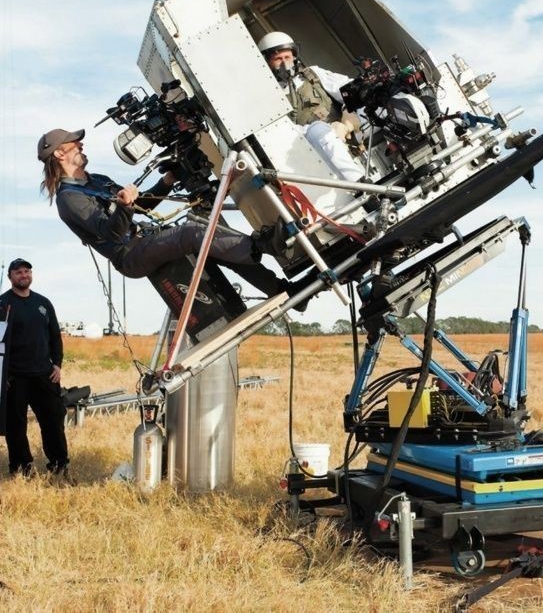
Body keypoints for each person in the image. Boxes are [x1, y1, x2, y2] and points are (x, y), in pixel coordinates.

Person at [37, 128, 294, 298]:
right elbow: (111, 233)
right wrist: (125, 206)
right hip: (129, 255)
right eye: (74, 143)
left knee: (211, 245)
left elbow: (140, 205)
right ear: (59, 153)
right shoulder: (69, 199)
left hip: (143, 241)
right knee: (193, 233)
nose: (80, 144)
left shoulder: (98, 180)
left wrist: (168, 181)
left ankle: (280, 290)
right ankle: (262, 246)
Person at [257, 31, 365, 182]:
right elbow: (286, 133)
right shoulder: (270, 97)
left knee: (373, 100)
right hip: (314, 147)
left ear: (294, 56)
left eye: (287, 57)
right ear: (267, 62)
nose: (284, 63)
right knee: (319, 130)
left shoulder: (313, 74)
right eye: (278, 59)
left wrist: (346, 116)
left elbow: (348, 88)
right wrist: (329, 130)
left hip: (349, 131)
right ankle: (360, 183)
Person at [0, 258, 69, 477]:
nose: (23, 275)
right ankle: (22, 468)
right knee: (15, 426)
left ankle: (59, 464)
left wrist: (57, 364)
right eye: (18, 272)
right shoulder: (2, 304)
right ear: (10, 276)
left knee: (53, 422)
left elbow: (55, 337)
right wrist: (3, 376)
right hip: (15, 377)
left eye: (27, 271)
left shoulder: (43, 303)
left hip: (44, 375)